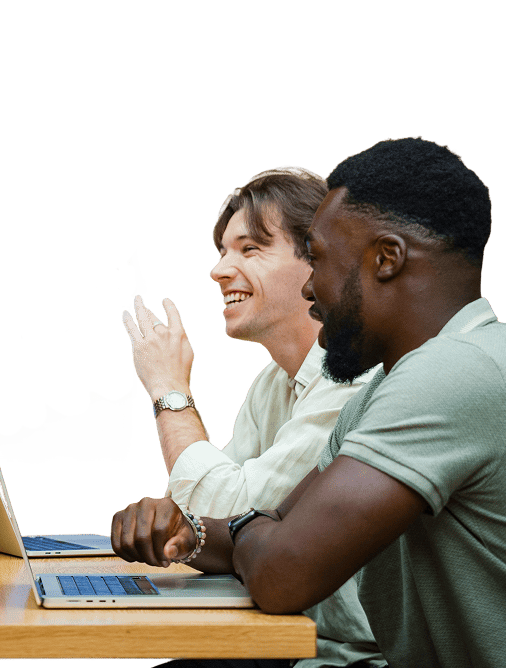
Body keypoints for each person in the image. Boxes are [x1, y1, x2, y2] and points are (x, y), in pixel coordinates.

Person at [111, 137, 506, 667]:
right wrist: (189, 533)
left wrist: (246, 529)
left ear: (386, 259)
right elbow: (270, 524)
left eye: (320, 260)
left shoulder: (460, 371)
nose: (310, 290)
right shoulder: (389, 387)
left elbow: (283, 575)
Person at [118, 166, 383, 668]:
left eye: (250, 249)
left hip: (343, 655)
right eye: (222, 252)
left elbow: (227, 506)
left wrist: (169, 390)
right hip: (287, 639)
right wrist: (178, 528)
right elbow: (212, 522)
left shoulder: (357, 380)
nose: (218, 271)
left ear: (317, 260)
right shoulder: (271, 384)